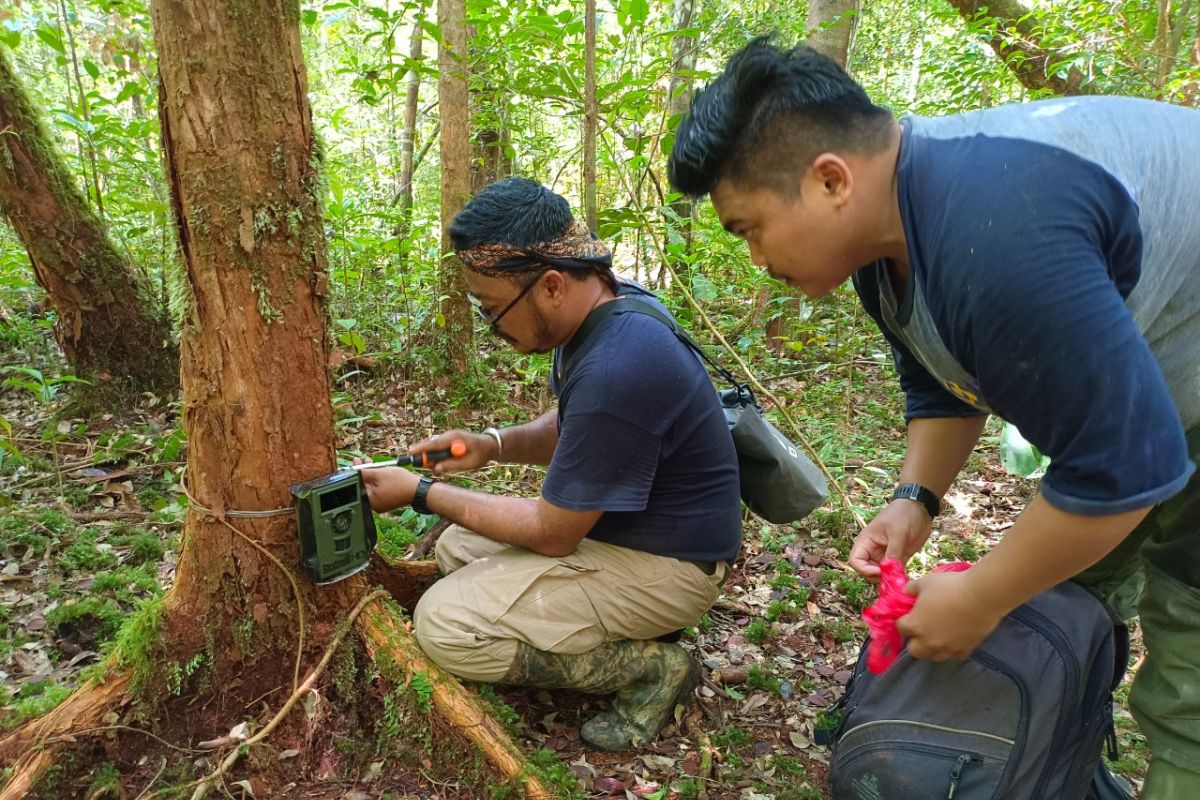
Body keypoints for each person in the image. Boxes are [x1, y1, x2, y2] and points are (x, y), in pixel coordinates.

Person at [666, 37, 1200, 797]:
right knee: (1068, 596)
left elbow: (1126, 471)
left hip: (1171, 403)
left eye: (749, 227)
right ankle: (1061, 766)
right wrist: (914, 499)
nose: (754, 256)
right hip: (1156, 391)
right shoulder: (891, 242)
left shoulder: (1000, 235)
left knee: (1189, 668)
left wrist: (981, 597)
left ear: (828, 181)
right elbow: (945, 383)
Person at [359, 177, 742, 751]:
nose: (491, 327)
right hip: (630, 538)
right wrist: (486, 445)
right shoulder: (606, 311)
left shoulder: (620, 362)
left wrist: (419, 492)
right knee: (455, 550)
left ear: (552, 285)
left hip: (672, 567)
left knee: (443, 626)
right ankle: (623, 626)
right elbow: (572, 422)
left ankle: (651, 667)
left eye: (493, 309)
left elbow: (553, 532)